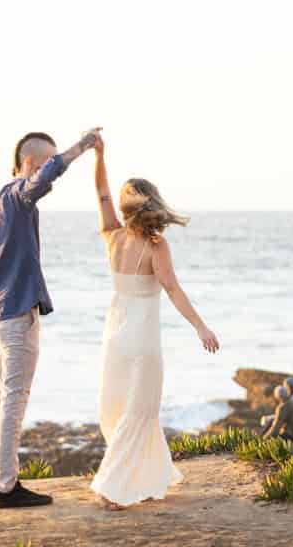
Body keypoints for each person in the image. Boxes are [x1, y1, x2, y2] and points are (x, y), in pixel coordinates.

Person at [0, 127, 102, 509]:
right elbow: (47, 175)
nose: (49, 176)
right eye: (43, 164)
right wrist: (81, 148)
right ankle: (7, 486)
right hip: (16, 311)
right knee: (14, 399)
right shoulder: (21, 197)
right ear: (28, 164)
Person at [88, 135, 220, 509]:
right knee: (140, 411)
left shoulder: (112, 237)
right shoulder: (156, 246)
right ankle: (115, 486)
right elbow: (173, 289)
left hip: (114, 338)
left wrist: (99, 155)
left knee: (116, 409)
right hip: (142, 343)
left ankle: (151, 471)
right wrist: (200, 325)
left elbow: (100, 192)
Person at [261, 377, 293, 441]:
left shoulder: (291, 401)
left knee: (272, 423)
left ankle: (260, 440)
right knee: (272, 421)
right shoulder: (292, 400)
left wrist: (265, 438)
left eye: (286, 386)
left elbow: (276, 426)